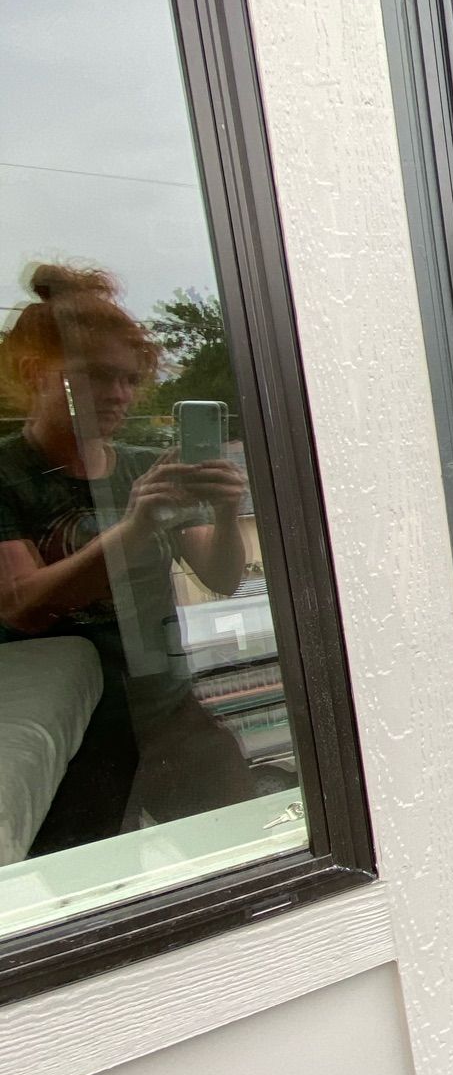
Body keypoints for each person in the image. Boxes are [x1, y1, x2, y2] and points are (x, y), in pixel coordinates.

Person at [0, 263, 255, 848]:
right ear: (36, 373)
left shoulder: (144, 465)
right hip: (66, 736)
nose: (118, 395)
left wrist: (222, 511)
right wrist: (136, 527)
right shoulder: (7, 473)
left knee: (243, 847)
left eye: (129, 379)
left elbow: (219, 577)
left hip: (166, 709)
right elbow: (22, 606)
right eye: (95, 377)